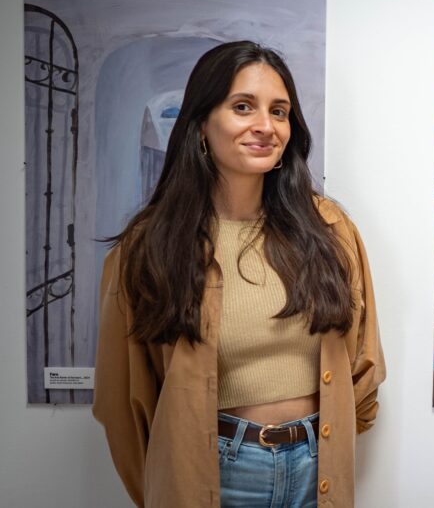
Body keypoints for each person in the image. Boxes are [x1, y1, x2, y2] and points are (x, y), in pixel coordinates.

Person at [93, 41, 385, 508]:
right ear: (202, 124)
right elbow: (122, 404)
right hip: (216, 472)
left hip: (319, 466)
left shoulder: (330, 230)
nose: (265, 126)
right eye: (243, 107)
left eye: (280, 111)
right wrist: (169, 482)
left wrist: (331, 439)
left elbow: (364, 365)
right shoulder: (148, 247)